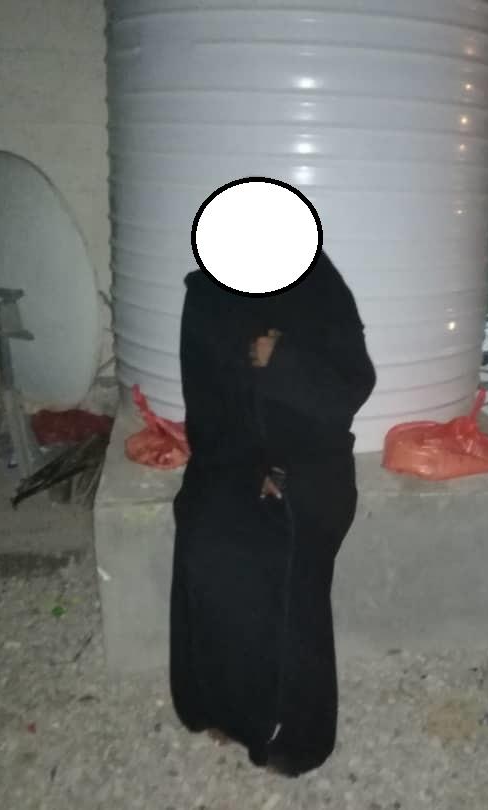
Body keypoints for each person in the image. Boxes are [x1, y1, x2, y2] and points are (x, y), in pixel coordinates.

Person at [169, 250, 376, 777]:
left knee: (286, 562)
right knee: (207, 544)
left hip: (313, 466)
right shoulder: (208, 298)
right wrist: (247, 471)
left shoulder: (319, 287)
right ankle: (223, 710)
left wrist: (282, 362)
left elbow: (352, 387)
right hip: (230, 463)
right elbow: (205, 407)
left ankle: (295, 729)